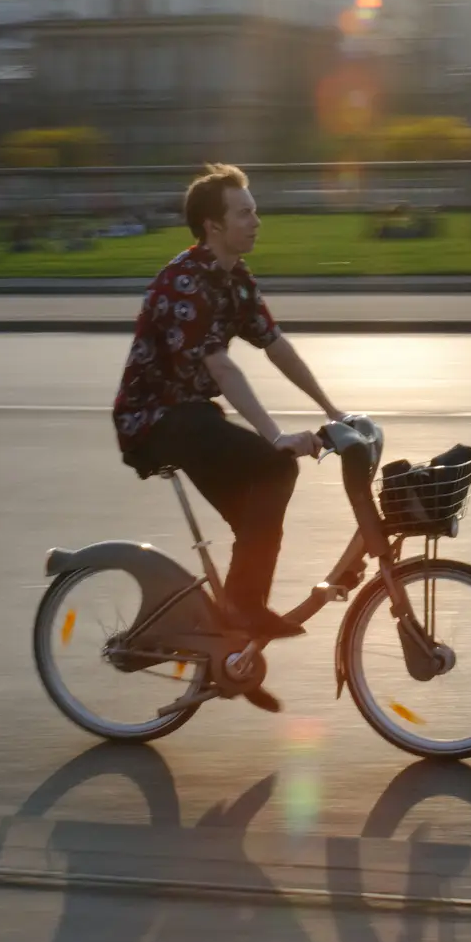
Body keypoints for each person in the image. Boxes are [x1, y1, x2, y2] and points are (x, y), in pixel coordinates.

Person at [114, 163, 347, 657]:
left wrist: (333, 409)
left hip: (193, 416)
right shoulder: (185, 283)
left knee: (259, 512)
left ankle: (231, 636)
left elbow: (276, 346)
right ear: (213, 226)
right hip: (154, 420)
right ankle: (242, 610)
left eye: (255, 211)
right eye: (245, 213)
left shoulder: (235, 280)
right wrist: (275, 434)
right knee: (274, 463)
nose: (257, 221)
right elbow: (221, 368)